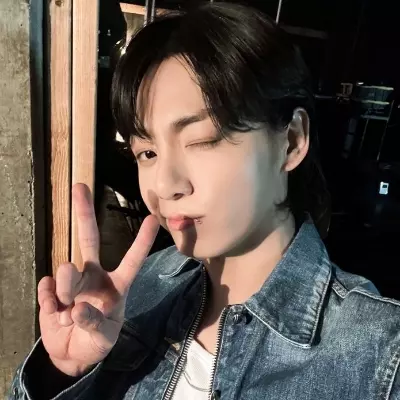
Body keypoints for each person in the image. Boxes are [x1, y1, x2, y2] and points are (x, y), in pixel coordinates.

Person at [9, 3, 400, 399]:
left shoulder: (380, 354)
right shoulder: (142, 287)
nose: (165, 185)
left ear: (291, 141)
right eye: (147, 152)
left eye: (201, 141)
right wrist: (61, 372)